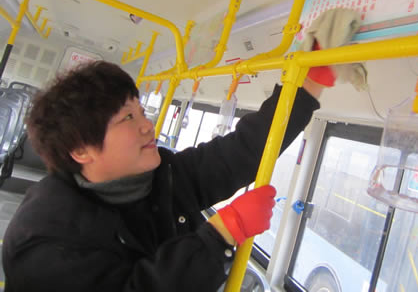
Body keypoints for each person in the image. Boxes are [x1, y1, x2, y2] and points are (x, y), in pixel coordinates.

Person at [2, 60, 326, 291]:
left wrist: (309, 83)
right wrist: (222, 235)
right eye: (127, 118)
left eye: (141, 112)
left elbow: (237, 153)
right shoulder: (43, 240)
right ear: (81, 150)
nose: (148, 125)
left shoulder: (160, 176)